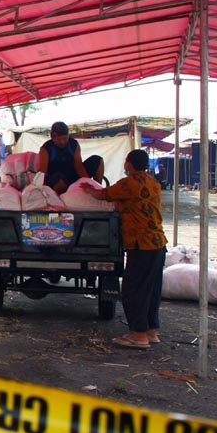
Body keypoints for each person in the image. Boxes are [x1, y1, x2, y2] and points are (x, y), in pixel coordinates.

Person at [81, 149, 168, 350]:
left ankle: (137, 334)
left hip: (141, 245)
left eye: (126, 161)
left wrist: (86, 188)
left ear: (129, 163)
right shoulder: (153, 183)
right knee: (151, 289)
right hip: (158, 243)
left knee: (132, 290)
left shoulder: (128, 183)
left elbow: (102, 195)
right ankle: (150, 331)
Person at [37, 121, 89, 194]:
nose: (62, 142)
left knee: (97, 160)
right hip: (55, 179)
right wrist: (39, 187)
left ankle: (98, 190)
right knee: (59, 180)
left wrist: (88, 182)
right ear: (52, 137)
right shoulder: (46, 148)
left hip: (71, 176)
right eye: (59, 139)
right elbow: (43, 171)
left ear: (68, 135)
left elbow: (79, 166)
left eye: (65, 138)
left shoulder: (74, 144)